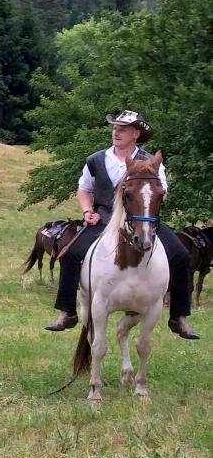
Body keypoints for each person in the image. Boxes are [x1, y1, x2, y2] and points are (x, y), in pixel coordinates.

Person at [45, 110, 198, 339]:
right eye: (115, 128)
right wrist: (87, 211)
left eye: (122, 129)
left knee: (181, 256)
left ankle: (179, 316)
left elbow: (161, 192)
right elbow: (83, 189)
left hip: (142, 220)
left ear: (136, 133)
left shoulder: (151, 161)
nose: (116, 132)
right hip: (104, 219)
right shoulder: (95, 160)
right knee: (69, 254)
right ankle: (67, 312)